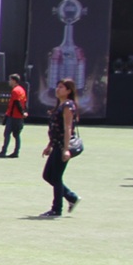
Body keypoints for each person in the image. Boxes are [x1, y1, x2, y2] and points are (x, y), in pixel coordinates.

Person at [40, 79, 80, 216]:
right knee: (47, 175)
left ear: (69, 91)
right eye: (57, 86)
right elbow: (55, 130)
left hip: (63, 145)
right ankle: (71, 197)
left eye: (61, 87)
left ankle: (57, 209)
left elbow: (68, 128)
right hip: (57, 144)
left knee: (56, 176)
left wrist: (66, 148)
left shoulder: (68, 105)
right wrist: (49, 145)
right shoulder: (60, 105)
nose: (58, 89)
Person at [0, 74, 26, 157]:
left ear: (14, 81)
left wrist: (21, 112)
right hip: (18, 117)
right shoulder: (22, 90)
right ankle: (16, 152)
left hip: (13, 116)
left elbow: (17, 103)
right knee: (16, 135)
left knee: (7, 134)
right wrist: (24, 112)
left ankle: (3, 151)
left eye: (10, 80)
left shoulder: (15, 91)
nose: (9, 82)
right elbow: (24, 102)